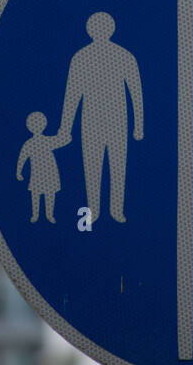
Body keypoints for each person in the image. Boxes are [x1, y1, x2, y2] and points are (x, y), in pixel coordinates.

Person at [52, 12, 143, 223]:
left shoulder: (124, 56)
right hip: (91, 121)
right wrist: (65, 127)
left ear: (110, 29)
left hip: (117, 120)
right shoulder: (81, 58)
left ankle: (116, 210)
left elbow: (136, 93)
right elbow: (72, 95)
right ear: (90, 30)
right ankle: (94, 209)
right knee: (92, 166)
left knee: (117, 165)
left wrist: (139, 125)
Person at [16, 112, 60, 223]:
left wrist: (65, 136)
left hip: (50, 172)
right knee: (36, 194)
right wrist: (19, 171)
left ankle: (50, 215)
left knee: (50, 193)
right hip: (37, 173)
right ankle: (35, 215)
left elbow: (60, 141)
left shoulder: (47, 140)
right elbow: (22, 157)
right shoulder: (30, 144)